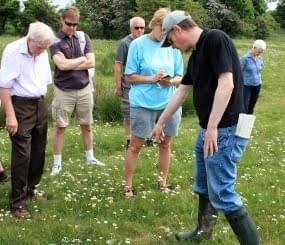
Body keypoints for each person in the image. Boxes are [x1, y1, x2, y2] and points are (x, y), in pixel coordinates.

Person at [153, 10, 261, 244]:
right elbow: (182, 89)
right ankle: (202, 233)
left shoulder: (215, 39)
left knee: (223, 192)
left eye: (170, 40)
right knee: (203, 185)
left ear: (178, 30)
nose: (173, 46)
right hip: (210, 130)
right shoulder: (197, 53)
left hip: (226, 130)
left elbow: (227, 84)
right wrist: (160, 122)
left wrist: (212, 127)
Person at [0, 22, 58, 219]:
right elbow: (4, 86)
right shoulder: (13, 51)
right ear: (30, 39)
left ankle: (31, 189)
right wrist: (10, 115)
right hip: (20, 106)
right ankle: (17, 202)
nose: (43, 52)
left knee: (38, 152)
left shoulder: (42, 51)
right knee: (22, 155)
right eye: (40, 47)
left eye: (45, 48)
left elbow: (43, 82)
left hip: (39, 103)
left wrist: (43, 106)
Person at [124, 8, 184, 197]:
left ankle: (162, 182)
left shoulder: (172, 45)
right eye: (163, 31)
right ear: (155, 25)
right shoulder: (138, 44)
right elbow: (129, 77)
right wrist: (152, 79)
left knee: (165, 144)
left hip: (169, 103)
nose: (166, 36)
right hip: (143, 104)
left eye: (169, 32)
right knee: (135, 146)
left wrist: (169, 81)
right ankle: (128, 186)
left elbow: (181, 76)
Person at [50, 6, 104, 176]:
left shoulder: (83, 37)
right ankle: (57, 164)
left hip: (84, 88)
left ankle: (90, 158)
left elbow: (92, 62)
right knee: (60, 127)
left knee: (87, 125)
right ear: (61, 20)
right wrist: (82, 59)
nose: (72, 27)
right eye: (69, 24)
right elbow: (61, 65)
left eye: (75, 24)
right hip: (63, 90)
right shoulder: (54, 40)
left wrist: (73, 62)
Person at [114, 16, 145, 149]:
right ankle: (128, 139)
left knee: (145, 111)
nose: (139, 30)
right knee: (128, 112)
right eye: (136, 27)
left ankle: (147, 137)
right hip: (128, 84)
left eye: (142, 27)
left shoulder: (146, 42)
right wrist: (118, 86)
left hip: (145, 83)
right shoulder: (124, 43)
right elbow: (118, 65)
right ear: (131, 28)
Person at [240, 39, 266, 114]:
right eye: (259, 51)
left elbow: (259, 70)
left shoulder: (260, 59)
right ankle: (242, 122)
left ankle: (249, 122)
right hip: (246, 85)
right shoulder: (245, 58)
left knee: (252, 104)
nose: (259, 54)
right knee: (245, 105)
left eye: (261, 52)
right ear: (254, 47)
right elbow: (239, 72)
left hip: (257, 85)